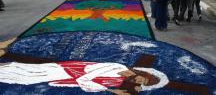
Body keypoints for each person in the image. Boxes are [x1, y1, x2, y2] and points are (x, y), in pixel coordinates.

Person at [0, 61, 169, 95]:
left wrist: (114, 89)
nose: (139, 81)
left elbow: (87, 84)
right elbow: (85, 81)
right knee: (27, 73)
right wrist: (112, 90)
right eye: (143, 79)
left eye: (142, 83)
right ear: (142, 74)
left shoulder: (119, 80)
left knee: (27, 77)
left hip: (70, 76)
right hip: (66, 71)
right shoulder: (117, 68)